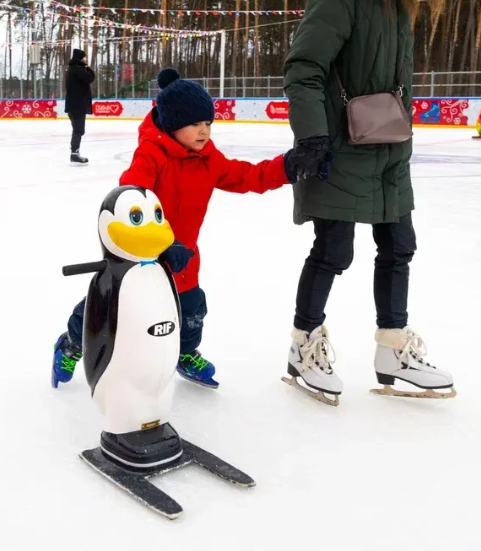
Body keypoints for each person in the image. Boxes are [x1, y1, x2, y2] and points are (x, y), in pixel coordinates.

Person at [282, 0, 455, 401]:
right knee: (333, 251)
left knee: (399, 245)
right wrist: (311, 135)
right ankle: (303, 344)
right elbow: (304, 66)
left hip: (387, 144)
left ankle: (392, 347)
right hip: (339, 141)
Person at [52, 68, 297, 389]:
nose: (204, 131)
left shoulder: (209, 158)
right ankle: (71, 344)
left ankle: (184, 353)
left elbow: (247, 176)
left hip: (183, 261)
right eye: (195, 123)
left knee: (193, 309)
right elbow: (129, 199)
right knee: (108, 307)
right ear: (172, 124)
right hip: (138, 258)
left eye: (208, 123)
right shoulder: (151, 156)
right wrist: (159, 243)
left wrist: (287, 167)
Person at [64, 48, 95, 165]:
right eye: (85, 57)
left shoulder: (73, 69)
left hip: (74, 105)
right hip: (77, 105)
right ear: (81, 58)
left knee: (77, 130)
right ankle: (74, 154)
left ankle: (74, 153)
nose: (86, 59)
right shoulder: (77, 69)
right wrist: (89, 69)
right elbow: (89, 78)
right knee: (78, 130)